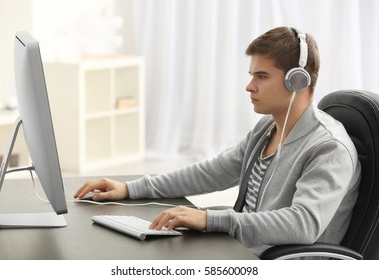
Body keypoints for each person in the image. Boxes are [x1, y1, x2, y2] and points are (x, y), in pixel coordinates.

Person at [74, 26, 361, 256]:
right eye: (251, 75)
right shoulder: (269, 127)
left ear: (296, 81)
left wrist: (212, 220)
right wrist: (130, 188)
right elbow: (213, 171)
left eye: (261, 76)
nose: (250, 86)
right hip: (244, 250)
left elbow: (304, 224)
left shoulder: (328, 148)